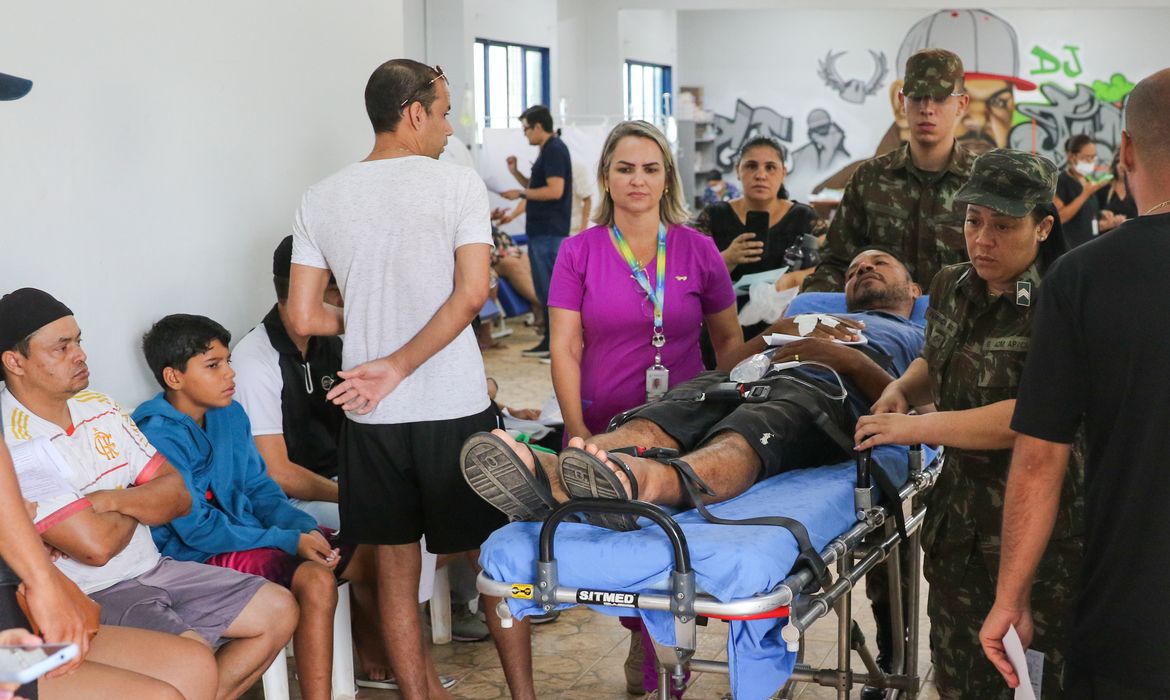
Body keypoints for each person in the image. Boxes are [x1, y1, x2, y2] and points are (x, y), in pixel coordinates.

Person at [286, 59, 533, 700]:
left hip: (371, 417)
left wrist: (372, 320)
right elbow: (473, 294)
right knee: (497, 563)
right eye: (444, 113)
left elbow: (303, 316)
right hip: (453, 405)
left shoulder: (321, 196)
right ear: (415, 112)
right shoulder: (456, 185)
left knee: (395, 572)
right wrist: (398, 362)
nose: (449, 129)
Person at [853, 150, 1081, 699]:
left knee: (1032, 684)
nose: (982, 240)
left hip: (1037, 540)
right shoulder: (953, 284)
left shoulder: (1064, 299)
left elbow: (1031, 418)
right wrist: (903, 390)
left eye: (1003, 226)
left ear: (1043, 227)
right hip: (959, 527)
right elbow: (937, 359)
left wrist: (917, 429)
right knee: (958, 676)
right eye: (974, 221)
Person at [465, 247, 920, 518]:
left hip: (823, 391)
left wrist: (843, 359)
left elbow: (919, 407)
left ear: (914, 290)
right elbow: (731, 361)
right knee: (666, 415)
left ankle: (642, 483)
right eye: (854, 270)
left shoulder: (917, 334)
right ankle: (554, 473)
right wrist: (781, 331)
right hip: (750, 373)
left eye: (878, 263)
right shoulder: (813, 313)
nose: (864, 270)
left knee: (746, 433)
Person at [0, 288, 297, 700]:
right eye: (61, 348)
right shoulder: (15, 437)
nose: (80, 355)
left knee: (278, 610)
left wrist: (110, 500)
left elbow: (179, 493)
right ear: (15, 362)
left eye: (79, 341)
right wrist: (140, 496)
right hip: (98, 589)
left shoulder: (100, 406)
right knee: (193, 660)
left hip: (154, 566)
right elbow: (96, 548)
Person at [981, 68, 1170, 699]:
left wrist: (1011, 598)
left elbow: (1040, 456)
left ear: (1126, 151)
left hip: (1134, 619)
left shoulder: (1083, 277)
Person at [133, 314, 391, 700]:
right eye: (213, 365)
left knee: (370, 556)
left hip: (251, 535)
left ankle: (371, 652)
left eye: (227, 361)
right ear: (174, 377)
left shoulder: (229, 414)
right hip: (195, 554)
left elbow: (260, 490)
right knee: (315, 578)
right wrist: (287, 541)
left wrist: (302, 528)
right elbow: (197, 528)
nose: (229, 373)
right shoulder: (156, 434)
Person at [548, 119, 741, 442]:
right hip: (598, 426)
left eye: (650, 169)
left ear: (666, 179)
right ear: (606, 178)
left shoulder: (700, 250)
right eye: (625, 169)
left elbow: (728, 339)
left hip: (685, 426)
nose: (638, 180)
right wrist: (578, 430)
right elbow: (565, 348)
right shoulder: (577, 252)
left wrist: (728, 417)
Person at [802, 48, 976, 294]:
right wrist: (810, 305)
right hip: (879, 314)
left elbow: (1005, 270)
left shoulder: (983, 181)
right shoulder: (869, 179)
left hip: (959, 316)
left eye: (940, 97)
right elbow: (836, 263)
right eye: (917, 96)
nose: (927, 108)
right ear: (902, 101)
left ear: (961, 104)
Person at [231, 236, 343, 530]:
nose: (345, 302)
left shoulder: (332, 344)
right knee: (391, 524)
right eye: (335, 292)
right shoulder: (254, 359)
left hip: (339, 482)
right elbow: (278, 474)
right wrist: (354, 495)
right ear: (302, 294)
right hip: (290, 500)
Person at [693, 135, 822, 327]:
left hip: (786, 325)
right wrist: (726, 259)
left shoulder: (804, 217)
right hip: (722, 326)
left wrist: (792, 279)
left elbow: (830, 266)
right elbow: (688, 274)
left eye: (770, 167)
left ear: (783, 173)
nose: (761, 175)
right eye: (751, 166)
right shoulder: (714, 216)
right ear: (738, 170)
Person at [501, 104, 573, 359]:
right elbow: (537, 187)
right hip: (542, 232)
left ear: (538, 126)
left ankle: (557, 345)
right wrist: (515, 173)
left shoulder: (554, 150)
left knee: (552, 292)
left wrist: (521, 193)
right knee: (544, 291)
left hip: (549, 233)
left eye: (526, 129)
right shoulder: (548, 150)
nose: (525, 134)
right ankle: (550, 340)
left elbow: (554, 191)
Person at [1097, 151, 1138, 222]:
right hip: (1110, 229)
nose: (1122, 166)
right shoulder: (1103, 188)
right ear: (1115, 165)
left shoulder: (1138, 189)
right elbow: (1094, 214)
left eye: (1126, 162)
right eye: (1119, 162)